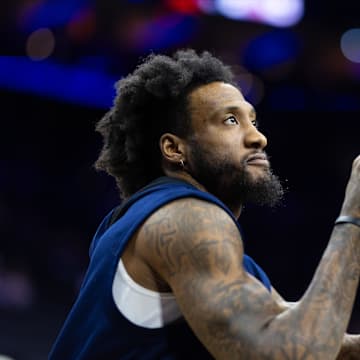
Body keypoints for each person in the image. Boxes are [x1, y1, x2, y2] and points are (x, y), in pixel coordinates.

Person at [49, 49, 360, 359]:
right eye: (230, 120)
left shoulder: (163, 225)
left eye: (253, 121)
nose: (258, 138)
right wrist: (354, 215)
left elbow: (308, 334)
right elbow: (288, 354)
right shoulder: (186, 218)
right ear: (174, 148)